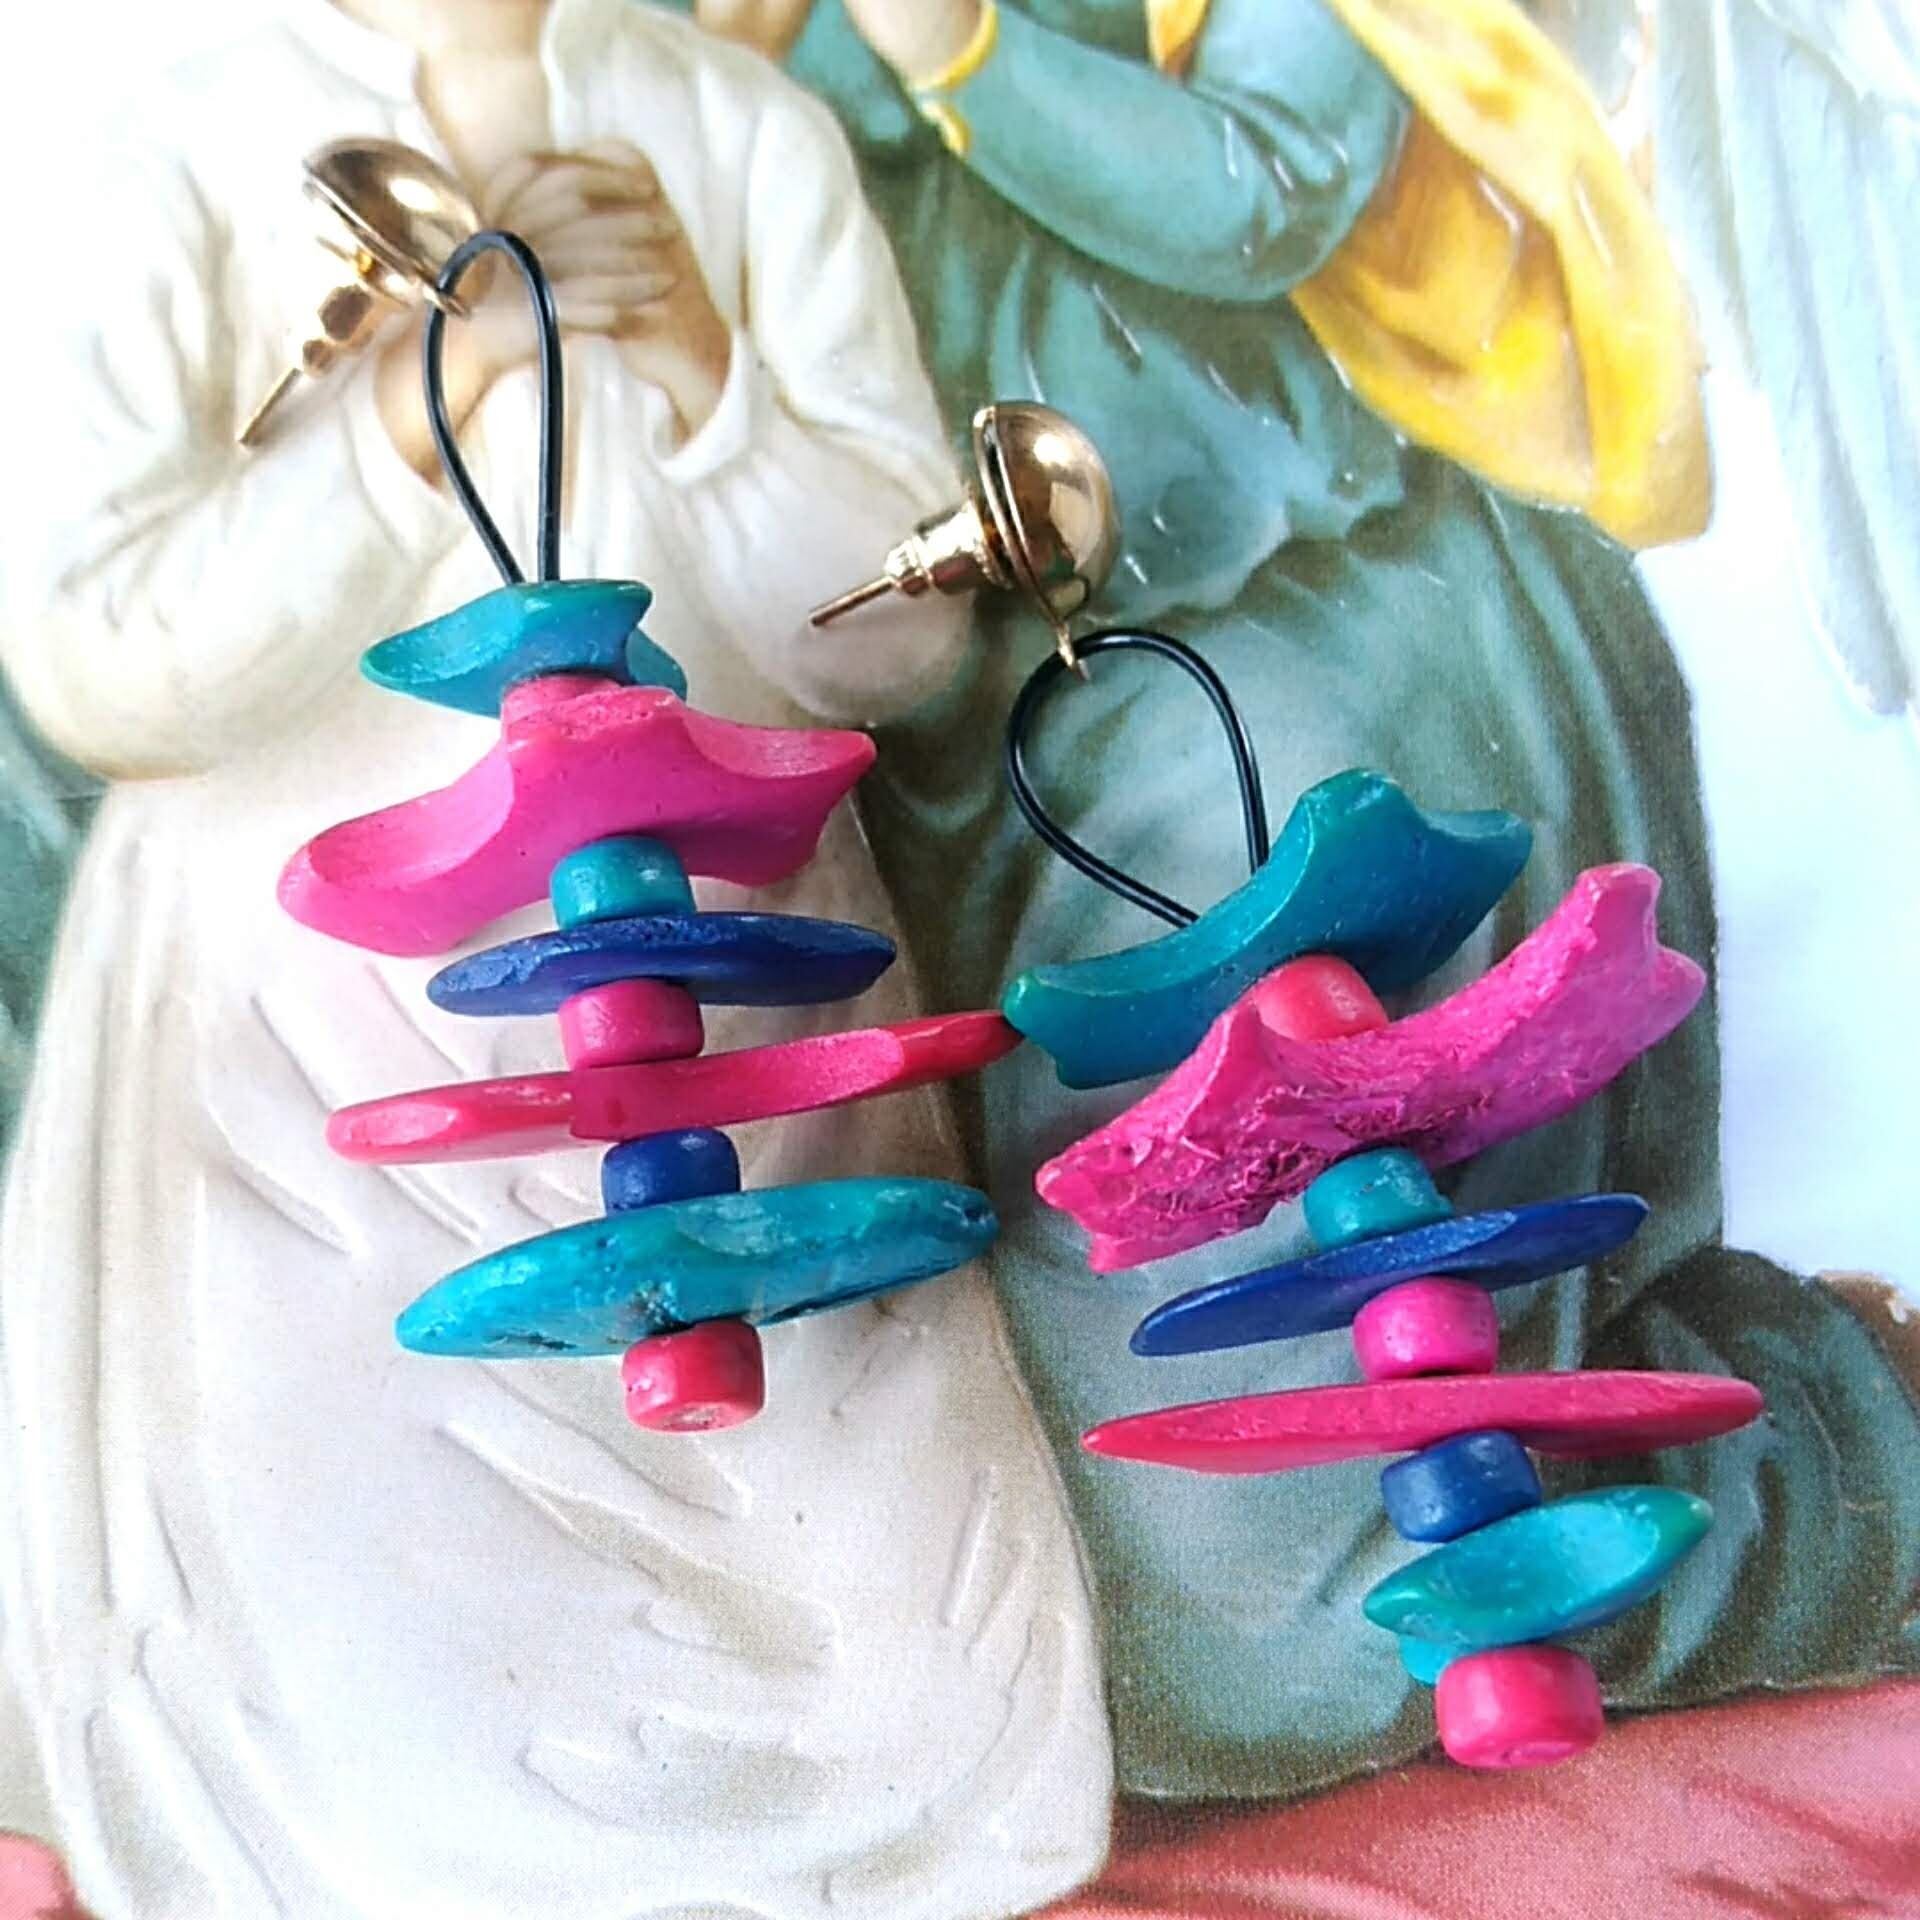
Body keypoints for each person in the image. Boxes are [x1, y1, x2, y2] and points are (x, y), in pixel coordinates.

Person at [688, 0, 1920, 1810]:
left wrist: (962, 54)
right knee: (1011, 1595)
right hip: (971, 760)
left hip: (1280, 665)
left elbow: (1267, 186)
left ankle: (1835, 1461)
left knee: (1261, 1622)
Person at [0, 2, 1110, 1913]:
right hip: (311, 1055)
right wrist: (411, 413)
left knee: (923, 1716)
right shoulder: (176, 143)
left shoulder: (737, 130)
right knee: (389, 1789)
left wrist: (696, 364)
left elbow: (894, 647)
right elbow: (107, 669)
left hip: (738, 993)